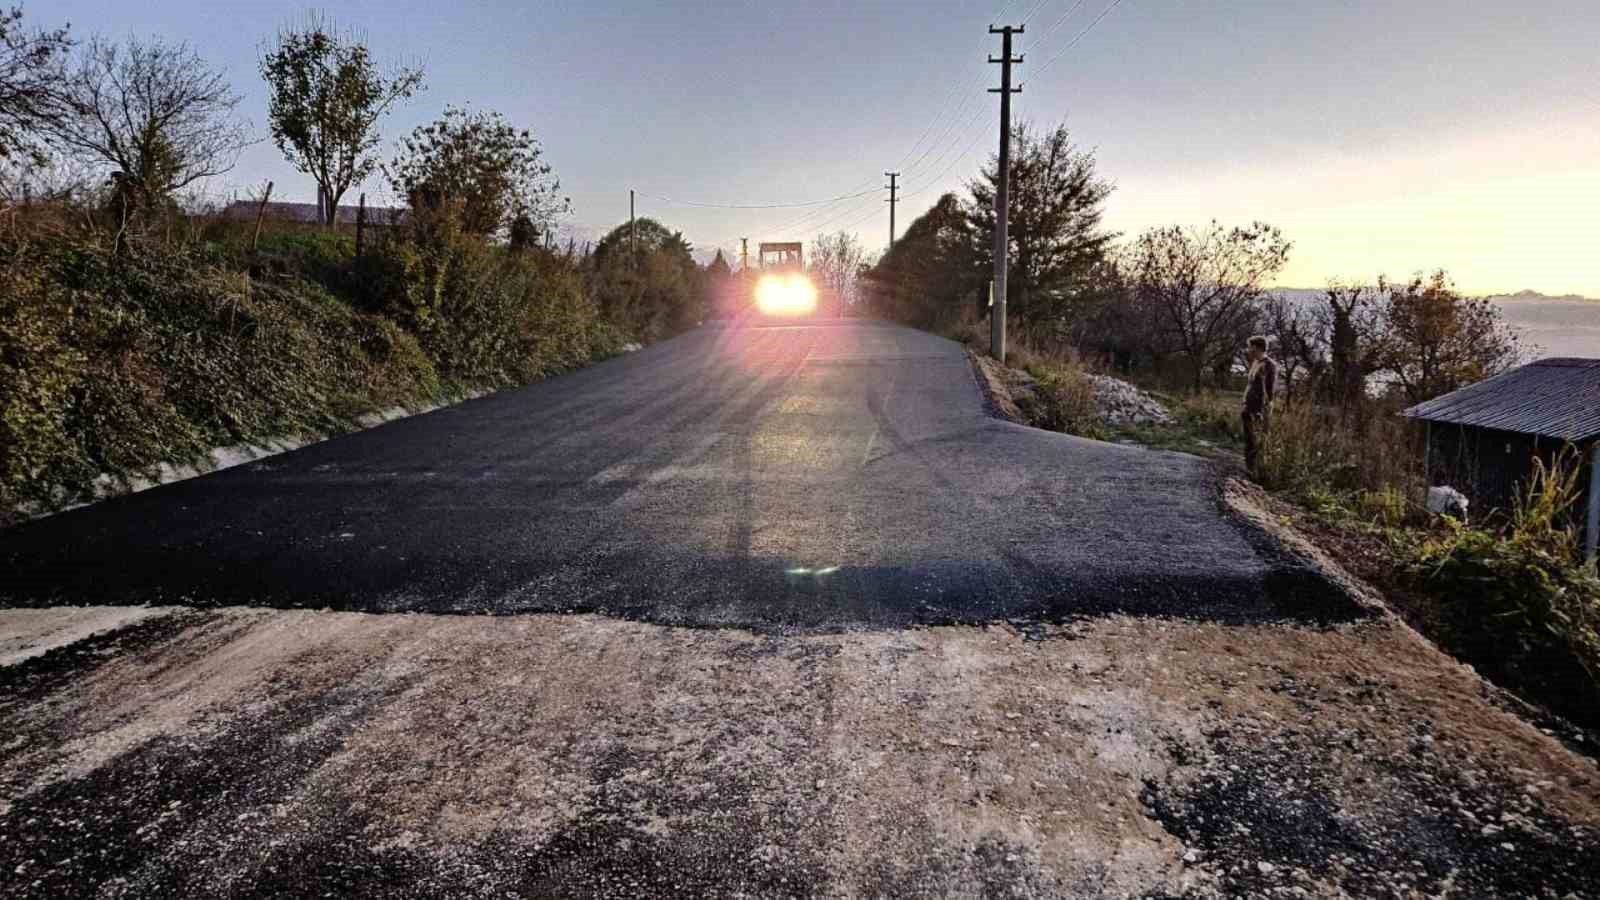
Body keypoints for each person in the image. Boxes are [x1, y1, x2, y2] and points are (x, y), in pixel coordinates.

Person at [1242, 335, 1277, 477]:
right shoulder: (1255, 362)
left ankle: (1257, 471)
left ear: (1256, 347)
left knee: (1258, 439)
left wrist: (1262, 410)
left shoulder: (1269, 364)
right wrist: (1244, 401)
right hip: (1248, 406)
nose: (1248, 349)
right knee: (1249, 438)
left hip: (1259, 408)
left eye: (1250, 346)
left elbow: (1269, 390)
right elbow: (1250, 384)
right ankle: (1249, 468)